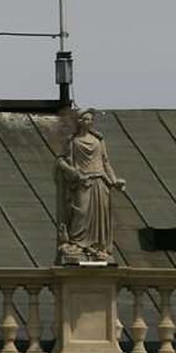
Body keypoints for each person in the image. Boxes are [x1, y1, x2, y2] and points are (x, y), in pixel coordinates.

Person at [56, 109, 126, 263]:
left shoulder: (98, 140)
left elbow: (105, 162)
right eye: (83, 119)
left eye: (88, 119)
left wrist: (114, 181)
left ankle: (97, 247)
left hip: (100, 182)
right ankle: (77, 245)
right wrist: (72, 171)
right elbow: (60, 160)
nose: (86, 122)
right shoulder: (73, 140)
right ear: (78, 121)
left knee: (99, 217)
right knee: (81, 212)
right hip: (83, 181)